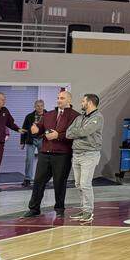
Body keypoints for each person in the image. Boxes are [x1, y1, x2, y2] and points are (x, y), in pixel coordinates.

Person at [21, 89, 79, 219]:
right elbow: (40, 128)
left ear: (69, 100)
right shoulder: (49, 114)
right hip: (45, 153)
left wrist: (58, 135)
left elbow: (75, 134)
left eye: (62, 98)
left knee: (59, 183)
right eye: (58, 98)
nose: (59, 100)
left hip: (62, 154)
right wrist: (36, 129)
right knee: (38, 181)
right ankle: (34, 208)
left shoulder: (75, 116)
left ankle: (59, 209)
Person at [65, 93, 104, 225]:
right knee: (78, 184)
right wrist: (78, 130)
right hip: (76, 154)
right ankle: (83, 209)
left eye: (83, 101)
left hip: (89, 154)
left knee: (85, 184)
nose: (81, 103)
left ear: (90, 103)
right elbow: (68, 133)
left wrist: (78, 131)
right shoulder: (79, 117)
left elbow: (84, 132)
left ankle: (88, 212)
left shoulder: (98, 117)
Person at [0, 92, 21, 192]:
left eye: (4, 99)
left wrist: (18, 129)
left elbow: (10, 123)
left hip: (0, 143)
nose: (4, 101)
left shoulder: (5, 110)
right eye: (2, 99)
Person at [20, 98, 46, 188]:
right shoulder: (29, 116)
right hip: (31, 140)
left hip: (43, 140)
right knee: (29, 159)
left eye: (41, 106)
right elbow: (24, 129)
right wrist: (22, 142)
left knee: (43, 161)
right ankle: (27, 179)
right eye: (38, 106)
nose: (40, 108)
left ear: (44, 106)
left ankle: (42, 179)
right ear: (34, 107)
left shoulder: (48, 115)